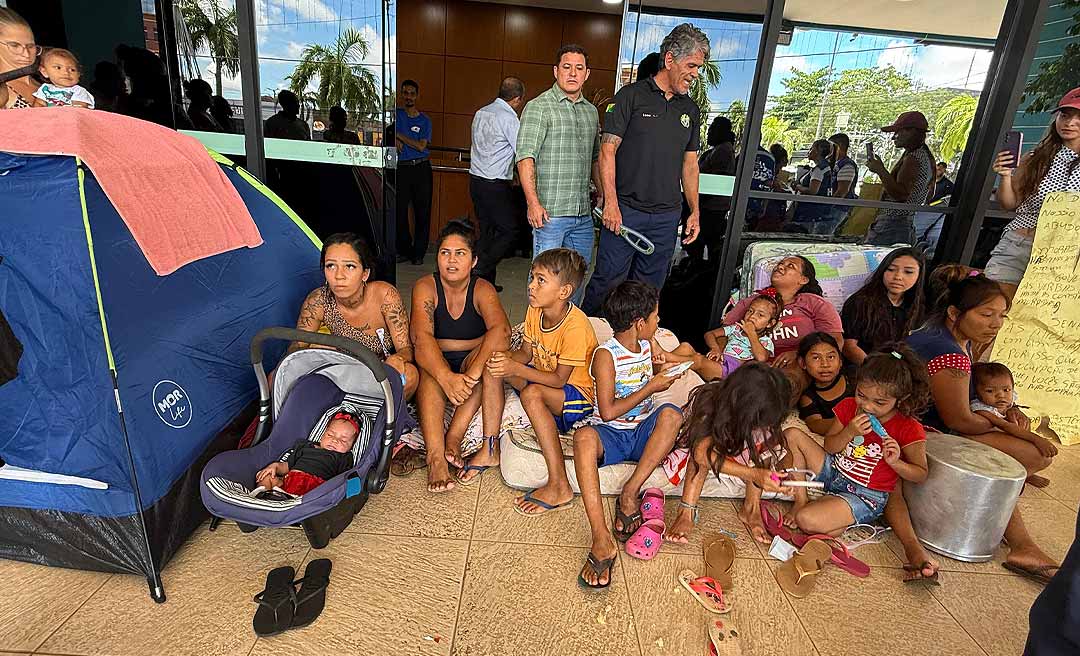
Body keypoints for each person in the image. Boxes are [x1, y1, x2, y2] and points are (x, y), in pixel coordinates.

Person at [904, 271, 1058, 584]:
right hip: (917, 431)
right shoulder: (949, 353)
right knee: (1034, 455)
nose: (996, 324)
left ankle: (1022, 542)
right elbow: (959, 421)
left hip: (922, 421)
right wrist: (1000, 423)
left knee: (1022, 454)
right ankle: (1022, 544)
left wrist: (1007, 409)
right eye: (986, 315)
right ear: (954, 313)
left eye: (1001, 315)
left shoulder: (942, 333)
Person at [582, 24, 708, 315]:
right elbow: (607, 150)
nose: (695, 74)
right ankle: (588, 335)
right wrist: (610, 203)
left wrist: (694, 211)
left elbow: (690, 165)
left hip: (666, 218)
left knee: (648, 290)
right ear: (669, 59)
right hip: (625, 211)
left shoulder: (690, 110)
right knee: (607, 282)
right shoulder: (630, 96)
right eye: (691, 66)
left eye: (698, 68)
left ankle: (633, 342)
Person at [573, 281, 684, 588]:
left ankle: (630, 491)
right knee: (583, 439)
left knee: (673, 414)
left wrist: (667, 372)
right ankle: (601, 538)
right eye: (655, 317)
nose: (659, 322)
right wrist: (651, 387)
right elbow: (608, 411)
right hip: (612, 433)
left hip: (642, 432)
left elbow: (658, 369)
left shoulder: (647, 345)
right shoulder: (605, 355)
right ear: (639, 323)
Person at [481, 248, 597, 515]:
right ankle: (489, 447)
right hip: (548, 385)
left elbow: (558, 380)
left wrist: (516, 368)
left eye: (541, 280)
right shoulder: (536, 310)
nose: (531, 286)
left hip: (576, 396)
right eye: (532, 277)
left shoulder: (576, 327)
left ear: (564, 291)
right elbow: (525, 354)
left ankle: (559, 485)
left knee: (531, 394)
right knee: (496, 368)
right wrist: (504, 360)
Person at [783, 345, 929, 536]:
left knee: (806, 520)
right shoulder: (849, 406)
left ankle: (840, 517)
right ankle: (801, 500)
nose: (867, 406)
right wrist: (849, 432)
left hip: (865, 493)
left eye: (879, 402)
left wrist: (896, 463)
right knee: (792, 434)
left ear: (900, 399)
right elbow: (830, 447)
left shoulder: (908, 427)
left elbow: (920, 474)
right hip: (834, 470)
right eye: (861, 395)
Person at [410, 221, 511, 493]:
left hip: (470, 362)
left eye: (460, 253)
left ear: (473, 260)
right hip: (436, 361)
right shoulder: (425, 286)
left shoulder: (482, 289)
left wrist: (470, 376)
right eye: (445, 253)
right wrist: (446, 377)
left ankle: (453, 438)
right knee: (429, 370)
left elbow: (502, 332)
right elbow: (421, 338)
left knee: (490, 361)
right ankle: (435, 458)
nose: (451, 260)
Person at [665, 363, 796, 544]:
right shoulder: (709, 402)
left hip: (736, 446)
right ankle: (686, 512)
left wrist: (780, 474)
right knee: (699, 453)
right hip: (706, 447)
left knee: (763, 450)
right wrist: (754, 474)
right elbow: (701, 455)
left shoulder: (764, 413)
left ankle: (751, 510)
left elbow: (773, 447)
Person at [516, 45, 601, 306]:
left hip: (582, 216)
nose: (572, 73)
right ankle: (537, 329)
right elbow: (525, 158)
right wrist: (533, 203)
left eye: (579, 68)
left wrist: (601, 193)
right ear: (556, 71)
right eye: (566, 67)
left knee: (576, 279)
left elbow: (595, 158)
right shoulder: (539, 107)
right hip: (549, 215)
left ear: (586, 74)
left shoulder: (591, 112)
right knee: (543, 282)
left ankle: (567, 328)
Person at [291, 233, 419, 398]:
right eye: (331, 266)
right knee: (277, 376)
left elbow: (406, 349)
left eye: (350, 266)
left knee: (410, 376)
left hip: (380, 372)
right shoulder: (318, 301)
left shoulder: (385, 296)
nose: (339, 276)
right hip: (341, 370)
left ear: (365, 273)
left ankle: (377, 411)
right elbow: (296, 348)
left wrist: (398, 359)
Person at [985, 88, 1080, 300]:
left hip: (1064, 253)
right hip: (1021, 242)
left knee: (1038, 317)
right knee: (994, 304)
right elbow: (1009, 204)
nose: (1070, 123)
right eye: (1065, 115)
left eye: (1079, 117)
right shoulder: (1036, 157)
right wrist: (1005, 176)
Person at [723, 255, 843, 390]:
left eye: (790, 266)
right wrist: (720, 356)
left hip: (794, 365)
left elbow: (835, 340)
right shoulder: (752, 302)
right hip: (749, 363)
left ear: (803, 279)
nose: (780, 266)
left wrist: (799, 353)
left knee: (787, 383)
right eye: (780, 264)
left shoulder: (813, 303)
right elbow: (723, 334)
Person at [470, 77, 525, 289]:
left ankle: (484, 283)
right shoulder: (509, 119)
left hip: (476, 181)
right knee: (510, 231)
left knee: (488, 232)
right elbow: (522, 151)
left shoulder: (481, 112)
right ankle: (480, 267)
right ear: (517, 99)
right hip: (495, 185)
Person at [971, 361, 1057, 487]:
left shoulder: (1007, 400)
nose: (1001, 395)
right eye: (990, 391)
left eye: (1006, 389)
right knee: (1034, 451)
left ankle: (1026, 473)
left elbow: (1013, 418)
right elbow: (1007, 427)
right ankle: (1014, 479)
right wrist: (1037, 439)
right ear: (977, 392)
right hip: (984, 440)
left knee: (1023, 426)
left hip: (1004, 434)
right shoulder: (981, 408)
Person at [840, 247, 925, 365]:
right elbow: (849, 346)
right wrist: (875, 369)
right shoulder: (860, 302)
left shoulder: (918, 307)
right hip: (865, 367)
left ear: (919, 275)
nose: (898, 276)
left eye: (908, 272)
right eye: (891, 269)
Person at [676, 287, 780, 380]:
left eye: (760, 315)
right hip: (719, 362)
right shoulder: (736, 328)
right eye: (750, 311)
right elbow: (709, 334)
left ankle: (668, 358)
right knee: (685, 347)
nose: (752, 316)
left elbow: (761, 358)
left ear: (770, 323)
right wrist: (715, 348)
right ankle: (667, 363)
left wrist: (751, 333)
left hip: (730, 373)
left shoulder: (765, 341)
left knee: (699, 360)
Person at [864, 111, 935, 245]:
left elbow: (901, 194)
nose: (893, 137)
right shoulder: (923, 156)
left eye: (897, 132)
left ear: (911, 132)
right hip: (903, 223)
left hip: (893, 223)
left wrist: (880, 170)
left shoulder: (914, 158)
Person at [255, 412, 360, 497]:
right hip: (288, 482)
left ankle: (289, 502)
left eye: (343, 440)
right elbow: (287, 466)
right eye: (330, 434)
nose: (334, 440)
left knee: (318, 495)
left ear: (351, 446)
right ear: (323, 435)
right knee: (267, 476)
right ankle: (262, 496)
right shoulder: (305, 447)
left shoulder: (343, 457)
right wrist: (275, 466)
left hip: (312, 490)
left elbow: (345, 478)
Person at [395, 79, 434, 266]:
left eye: (412, 93)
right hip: (402, 168)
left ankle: (418, 253)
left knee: (422, 212)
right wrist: (393, 137)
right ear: (401, 95)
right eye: (405, 93)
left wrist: (399, 136)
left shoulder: (425, 120)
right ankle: (404, 250)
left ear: (417, 96)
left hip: (421, 168)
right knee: (399, 212)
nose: (408, 97)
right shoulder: (396, 115)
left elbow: (421, 146)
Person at [692, 116, 737, 261]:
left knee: (704, 241)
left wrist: (696, 203)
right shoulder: (718, 150)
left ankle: (701, 268)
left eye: (712, 129)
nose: (708, 133)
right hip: (710, 206)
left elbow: (717, 181)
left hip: (712, 207)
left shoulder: (723, 151)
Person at [797, 332, 852, 437]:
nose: (825, 364)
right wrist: (849, 421)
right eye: (816, 358)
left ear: (840, 361)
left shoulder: (854, 377)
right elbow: (815, 424)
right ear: (802, 363)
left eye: (831, 357)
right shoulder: (808, 397)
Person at [791, 139, 836, 234]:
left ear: (818, 151)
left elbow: (813, 191)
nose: (809, 151)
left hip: (810, 213)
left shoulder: (820, 169)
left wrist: (797, 186)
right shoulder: (824, 167)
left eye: (811, 148)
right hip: (814, 212)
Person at [0, 8, 40, 109]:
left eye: (30, 46)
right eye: (14, 45)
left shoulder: (49, 84)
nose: (26, 54)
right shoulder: (2, 90)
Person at [829, 133, 859, 200]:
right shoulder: (835, 163)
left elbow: (841, 192)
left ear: (840, 145)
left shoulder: (847, 165)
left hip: (839, 206)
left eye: (831, 146)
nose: (828, 149)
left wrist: (828, 204)